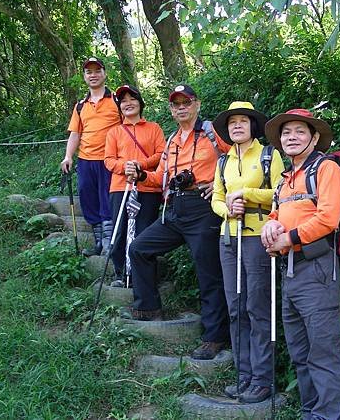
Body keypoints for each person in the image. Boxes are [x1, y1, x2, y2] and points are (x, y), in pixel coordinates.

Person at [126, 84, 230, 360]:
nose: (181, 107)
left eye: (186, 102)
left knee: (208, 273)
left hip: (204, 208)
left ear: (197, 104)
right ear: (171, 110)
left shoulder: (212, 133)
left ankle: (214, 337)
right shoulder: (171, 140)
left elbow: (238, 158)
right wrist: (140, 175)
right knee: (139, 248)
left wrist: (221, 185)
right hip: (174, 209)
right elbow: (160, 175)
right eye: (176, 104)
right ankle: (148, 307)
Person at [261, 109, 340, 420]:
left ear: (313, 138)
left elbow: (328, 218)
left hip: (318, 270)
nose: (292, 137)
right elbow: (276, 215)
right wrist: (270, 229)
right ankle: (311, 410)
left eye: (300, 132)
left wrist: (289, 239)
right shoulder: (285, 180)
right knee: (300, 352)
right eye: (287, 133)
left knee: (323, 352)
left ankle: (326, 416)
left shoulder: (326, 169)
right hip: (289, 271)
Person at [211, 101, 284, 403]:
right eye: (232, 122)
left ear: (253, 125)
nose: (237, 126)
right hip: (228, 238)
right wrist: (228, 208)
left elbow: (282, 193)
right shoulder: (222, 161)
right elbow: (216, 198)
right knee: (235, 307)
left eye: (243, 121)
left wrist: (246, 195)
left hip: (258, 240)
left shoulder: (270, 155)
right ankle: (243, 377)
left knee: (258, 307)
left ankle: (262, 379)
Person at [104, 85, 165, 287]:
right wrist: (126, 167)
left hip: (148, 186)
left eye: (132, 99)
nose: (128, 103)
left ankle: (144, 275)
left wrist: (140, 165)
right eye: (123, 101)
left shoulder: (153, 128)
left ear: (140, 103)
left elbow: (161, 154)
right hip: (121, 187)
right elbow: (109, 161)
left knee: (144, 231)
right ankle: (120, 273)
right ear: (119, 107)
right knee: (120, 230)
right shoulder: (114, 132)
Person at [61, 57, 120, 257]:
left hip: (110, 159)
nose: (93, 75)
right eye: (89, 72)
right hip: (86, 160)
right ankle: (98, 243)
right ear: (84, 76)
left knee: (108, 200)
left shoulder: (117, 101)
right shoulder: (81, 105)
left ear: (104, 73)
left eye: (97, 71)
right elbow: (75, 133)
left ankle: (109, 245)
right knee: (88, 199)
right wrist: (68, 156)